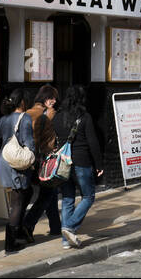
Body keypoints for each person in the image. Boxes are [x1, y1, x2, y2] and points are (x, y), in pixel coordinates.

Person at [51, 86, 104, 249]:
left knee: (67, 199)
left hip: (64, 164)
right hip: (81, 162)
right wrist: (99, 164)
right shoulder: (85, 117)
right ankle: (70, 227)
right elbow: (93, 142)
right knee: (88, 197)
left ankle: (66, 241)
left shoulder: (57, 117)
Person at [0, 88, 36, 254]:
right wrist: (32, 157)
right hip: (18, 167)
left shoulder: (4, 119)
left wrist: (3, 157)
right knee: (16, 202)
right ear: (23, 102)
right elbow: (29, 144)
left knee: (25, 193)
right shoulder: (25, 119)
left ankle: (19, 231)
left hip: (5, 165)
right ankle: (11, 243)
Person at [22, 85, 61, 239]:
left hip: (29, 160)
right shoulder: (45, 115)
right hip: (42, 160)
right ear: (45, 99)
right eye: (51, 98)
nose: (54, 101)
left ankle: (56, 227)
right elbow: (45, 139)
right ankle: (27, 224)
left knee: (50, 193)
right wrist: (50, 116)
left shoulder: (27, 113)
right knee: (48, 193)